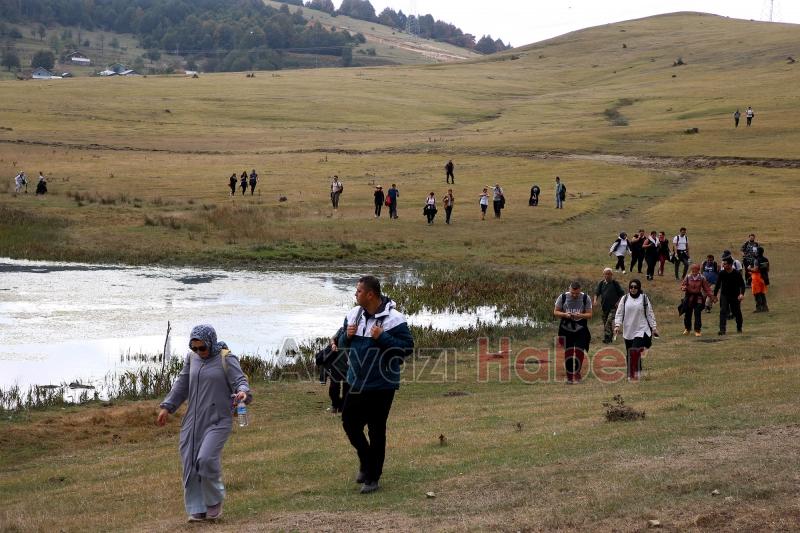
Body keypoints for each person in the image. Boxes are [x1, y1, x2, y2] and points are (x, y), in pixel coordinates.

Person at [157, 325, 252, 522]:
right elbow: (181, 385)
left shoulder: (227, 358)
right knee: (190, 463)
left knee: (206, 459)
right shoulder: (192, 359)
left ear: (211, 342)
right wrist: (167, 407)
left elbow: (240, 381)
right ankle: (197, 509)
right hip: (192, 421)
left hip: (218, 420)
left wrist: (243, 392)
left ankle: (214, 503)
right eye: (195, 348)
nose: (199, 352)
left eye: (202, 348)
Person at [336, 276, 414, 494]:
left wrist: (382, 338)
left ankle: (373, 478)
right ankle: (366, 460)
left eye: (359, 291)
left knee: (376, 430)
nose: (355, 294)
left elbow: (406, 348)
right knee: (349, 423)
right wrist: (346, 337)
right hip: (355, 381)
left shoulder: (394, 319)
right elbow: (341, 344)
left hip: (382, 384)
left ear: (370, 294)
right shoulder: (353, 315)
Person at [614, 279, 658, 381]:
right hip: (628, 330)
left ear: (639, 288)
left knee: (634, 350)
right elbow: (619, 313)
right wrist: (617, 325)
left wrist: (654, 327)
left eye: (635, 287)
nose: (633, 289)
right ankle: (636, 371)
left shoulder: (644, 298)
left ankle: (633, 374)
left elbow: (649, 313)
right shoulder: (624, 299)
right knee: (630, 352)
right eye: (631, 287)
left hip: (641, 329)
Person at [554, 281, 593, 384]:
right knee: (569, 352)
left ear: (580, 291)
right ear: (569, 290)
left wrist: (580, 315)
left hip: (581, 328)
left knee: (580, 351)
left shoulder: (586, 298)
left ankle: (577, 372)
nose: (575, 295)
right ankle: (570, 376)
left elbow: (589, 315)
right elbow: (556, 312)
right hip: (566, 329)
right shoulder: (562, 297)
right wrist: (565, 314)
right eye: (572, 293)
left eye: (577, 293)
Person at [713, 257, 745, 335]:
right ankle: (722, 330)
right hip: (724, 295)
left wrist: (741, 294)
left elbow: (742, 285)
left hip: (735, 295)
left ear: (730, 264)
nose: (723, 265)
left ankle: (739, 327)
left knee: (736, 312)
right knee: (723, 311)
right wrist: (714, 296)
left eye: (725, 263)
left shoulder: (737, 273)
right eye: (723, 263)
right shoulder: (722, 273)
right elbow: (717, 285)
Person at [680, 264, 713, 337]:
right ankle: (687, 329)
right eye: (692, 270)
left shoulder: (702, 278)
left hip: (698, 297)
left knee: (697, 313)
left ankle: (697, 330)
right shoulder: (688, 277)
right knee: (688, 313)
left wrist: (711, 296)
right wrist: (683, 288)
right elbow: (683, 285)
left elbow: (707, 288)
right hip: (689, 297)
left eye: (695, 270)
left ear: (698, 270)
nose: (694, 272)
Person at [594, 268, 625, 344]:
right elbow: (596, 293)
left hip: (613, 308)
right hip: (604, 307)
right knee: (605, 323)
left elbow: (622, 294)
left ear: (612, 275)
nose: (607, 276)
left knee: (608, 322)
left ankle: (607, 338)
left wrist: (618, 302)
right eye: (606, 274)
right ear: (603, 275)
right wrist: (595, 300)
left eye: (609, 274)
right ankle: (608, 337)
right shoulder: (601, 283)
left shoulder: (615, 283)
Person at [749, 246, 769, 312]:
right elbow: (767, 269)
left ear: (757, 252)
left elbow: (755, 269)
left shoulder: (756, 260)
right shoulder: (766, 259)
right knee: (762, 293)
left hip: (756, 279)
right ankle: (765, 307)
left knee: (757, 294)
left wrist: (749, 269)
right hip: (764, 278)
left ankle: (759, 308)